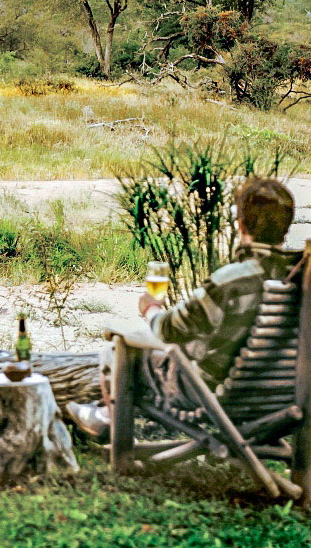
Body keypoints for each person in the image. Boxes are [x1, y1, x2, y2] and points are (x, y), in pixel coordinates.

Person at [67, 177, 298, 438]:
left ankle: (106, 419)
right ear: (286, 226)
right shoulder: (303, 278)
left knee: (119, 348)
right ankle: (103, 415)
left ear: (241, 224)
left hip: (215, 397)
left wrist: (151, 309)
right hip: (283, 396)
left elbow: (169, 330)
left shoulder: (233, 280)